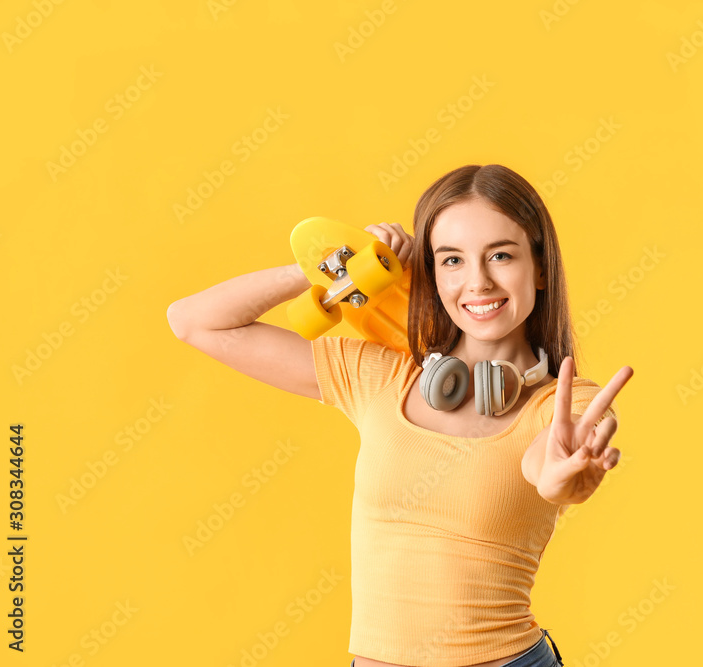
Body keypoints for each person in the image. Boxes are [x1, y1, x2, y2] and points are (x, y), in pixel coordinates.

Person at [166, 164, 634, 667]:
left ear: (539, 268)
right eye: (451, 260)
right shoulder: (381, 376)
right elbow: (195, 322)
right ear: (431, 273)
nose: (477, 282)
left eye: (500, 255)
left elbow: (554, 469)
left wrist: (565, 478)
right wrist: (335, 267)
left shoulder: (564, 405)